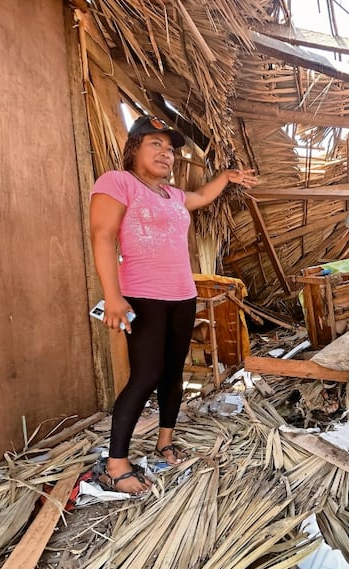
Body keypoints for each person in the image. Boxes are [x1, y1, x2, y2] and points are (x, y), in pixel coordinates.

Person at [89, 114, 257, 494]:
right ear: (134, 148)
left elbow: (202, 197)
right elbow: (102, 236)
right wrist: (113, 296)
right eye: (156, 144)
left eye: (170, 149)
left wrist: (226, 177)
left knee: (172, 374)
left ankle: (164, 442)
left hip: (182, 295)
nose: (166, 154)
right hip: (143, 295)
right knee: (145, 375)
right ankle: (116, 465)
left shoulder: (174, 195)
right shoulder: (117, 182)